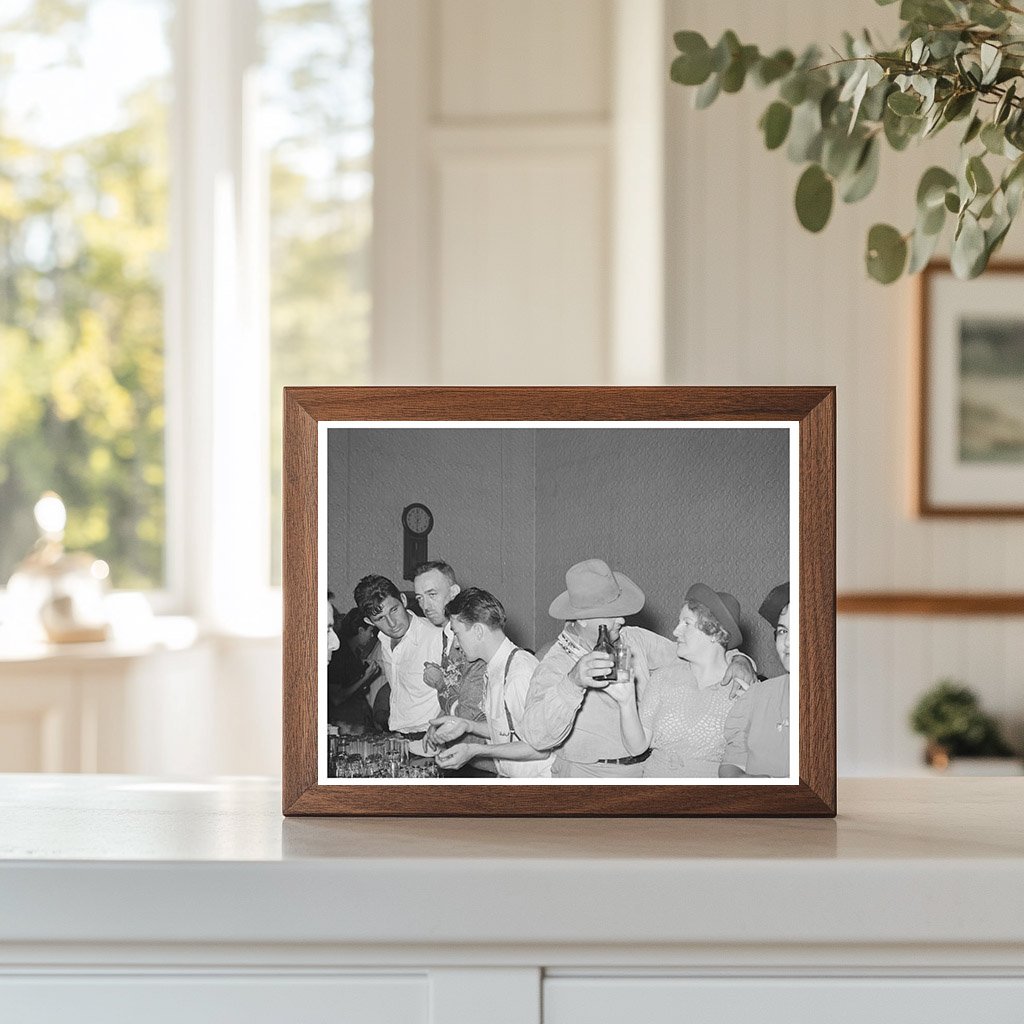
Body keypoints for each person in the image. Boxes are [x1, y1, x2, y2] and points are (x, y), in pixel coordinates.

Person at [519, 559, 756, 779]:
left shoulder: (633, 640)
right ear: (581, 618)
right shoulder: (556, 664)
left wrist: (739, 659)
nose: (622, 619)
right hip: (587, 775)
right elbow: (536, 738)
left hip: (642, 771)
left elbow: (698, 650)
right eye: (612, 613)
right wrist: (573, 683)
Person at [621, 584, 746, 778]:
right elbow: (636, 747)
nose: (675, 631)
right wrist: (626, 701)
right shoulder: (663, 677)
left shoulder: (741, 688)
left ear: (715, 632)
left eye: (686, 623)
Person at [427, 588, 554, 778]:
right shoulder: (494, 667)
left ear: (478, 631)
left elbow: (539, 748)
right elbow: (509, 731)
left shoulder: (519, 673)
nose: (456, 644)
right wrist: (467, 725)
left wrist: (475, 750)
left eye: (457, 633)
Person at [353, 574, 442, 738]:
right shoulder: (384, 641)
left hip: (433, 736)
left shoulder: (436, 636)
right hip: (400, 736)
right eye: (380, 618)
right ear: (370, 621)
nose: (392, 623)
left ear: (403, 600)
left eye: (394, 610)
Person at [720, 582, 791, 779]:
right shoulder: (757, 695)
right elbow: (730, 765)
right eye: (783, 631)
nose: (788, 642)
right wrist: (745, 780)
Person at [413, 561, 486, 723]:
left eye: (432, 594)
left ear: (453, 592)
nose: (425, 606)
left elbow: (471, 715)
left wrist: (440, 683)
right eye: (420, 598)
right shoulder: (446, 635)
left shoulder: (471, 637)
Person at [326, 605, 383, 731]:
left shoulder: (352, 653)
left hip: (355, 721)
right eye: (370, 631)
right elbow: (336, 698)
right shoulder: (339, 655)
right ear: (361, 630)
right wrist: (366, 677)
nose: (372, 636)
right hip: (346, 724)